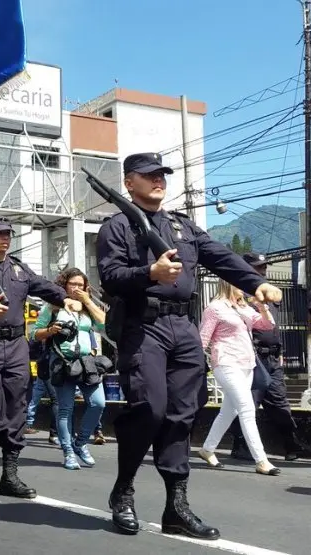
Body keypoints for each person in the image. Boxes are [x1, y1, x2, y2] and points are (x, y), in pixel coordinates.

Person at [96, 152, 282, 540]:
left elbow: (220, 257)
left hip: (183, 325)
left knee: (182, 414)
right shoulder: (117, 226)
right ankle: (124, 491)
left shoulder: (183, 227)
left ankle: (176, 507)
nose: (158, 181)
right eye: (149, 176)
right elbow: (111, 277)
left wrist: (254, 283)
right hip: (142, 325)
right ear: (130, 182)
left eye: (162, 175)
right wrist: (149, 272)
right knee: (150, 408)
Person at [0, 216, 79, 498]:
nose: (5, 238)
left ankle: (9, 475)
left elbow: (43, 286)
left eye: (8, 233)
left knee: (16, 410)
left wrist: (65, 299)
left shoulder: (19, 269)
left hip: (15, 347)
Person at [196, 280, 279, 475]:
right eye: (238, 284)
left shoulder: (244, 308)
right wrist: (198, 364)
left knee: (229, 411)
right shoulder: (215, 308)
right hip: (225, 362)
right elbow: (203, 339)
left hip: (247, 364)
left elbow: (268, 325)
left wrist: (260, 306)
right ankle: (261, 460)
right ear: (227, 284)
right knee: (247, 408)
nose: (242, 288)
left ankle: (207, 450)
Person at [228, 253, 305, 461]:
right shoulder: (238, 297)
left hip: (272, 359)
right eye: (257, 268)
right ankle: (240, 445)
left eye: (263, 267)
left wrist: (279, 352)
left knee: (279, 403)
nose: (262, 271)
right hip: (251, 359)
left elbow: (273, 328)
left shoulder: (270, 295)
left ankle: (291, 445)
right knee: (247, 403)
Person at [29, 267, 107, 470]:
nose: (76, 288)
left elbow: (105, 326)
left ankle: (80, 443)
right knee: (65, 409)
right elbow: (34, 333)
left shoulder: (87, 307)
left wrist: (88, 301)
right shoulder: (53, 307)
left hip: (87, 363)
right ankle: (68, 452)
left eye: (80, 285)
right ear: (64, 286)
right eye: (72, 284)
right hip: (62, 361)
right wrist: (50, 330)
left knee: (98, 403)